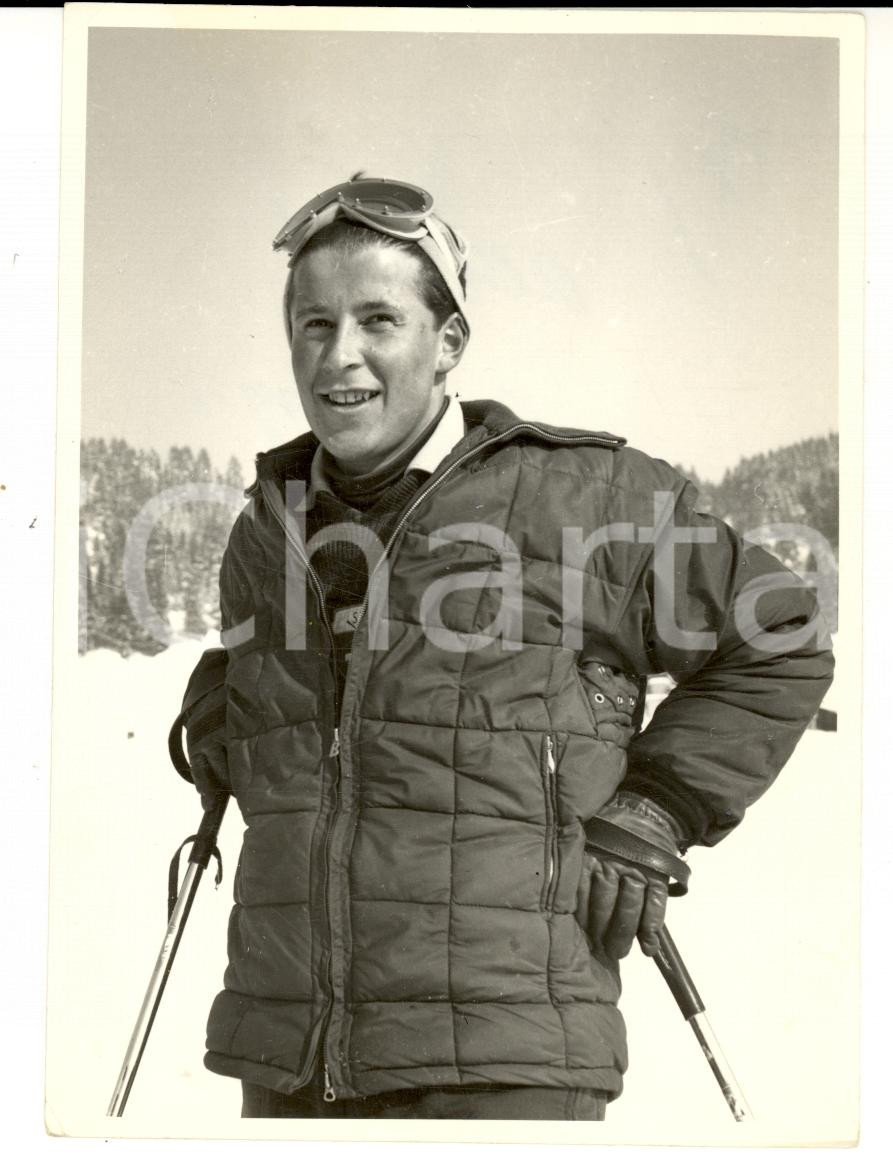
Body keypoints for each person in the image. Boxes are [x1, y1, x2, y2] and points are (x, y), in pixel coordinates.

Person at [182, 176, 834, 1120]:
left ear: (449, 342)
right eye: (313, 324)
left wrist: (656, 809)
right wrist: (221, 706)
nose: (339, 354)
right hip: (290, 1060)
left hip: (502, 1060)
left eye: (377, 319)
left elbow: (781, 633)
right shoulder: (267, 526)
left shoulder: (590, 498)